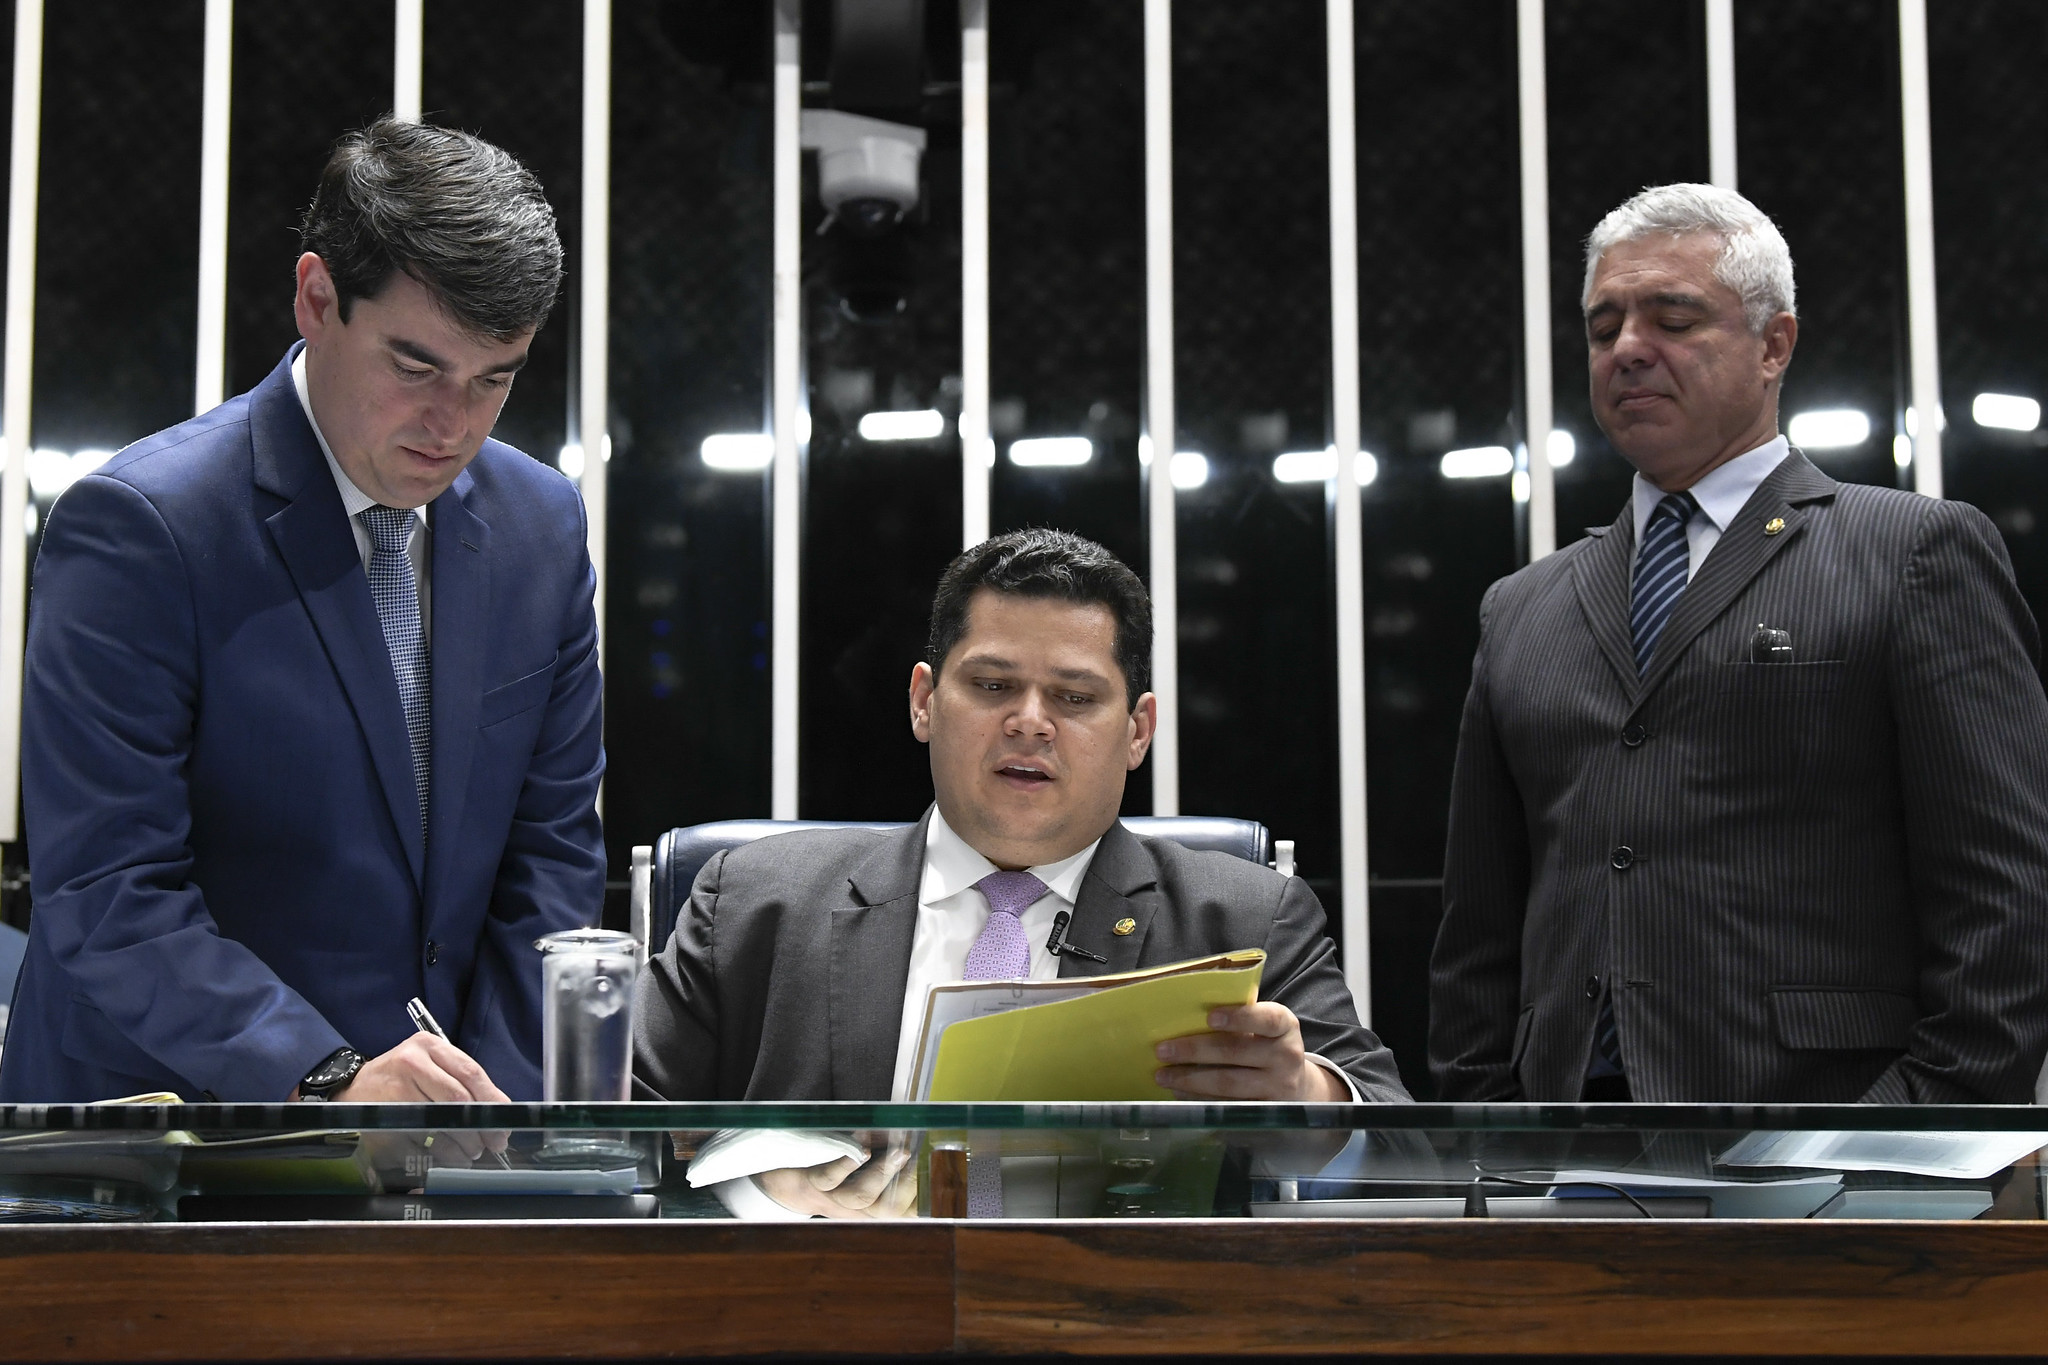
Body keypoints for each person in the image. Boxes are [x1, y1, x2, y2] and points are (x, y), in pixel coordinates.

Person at [0, 118, 604, 1108]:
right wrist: (326, 1081)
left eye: (494, 379)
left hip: (440, 1140)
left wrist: (495, 1107)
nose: (453, 424)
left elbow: (550, 857)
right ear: (318, 298)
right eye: (417, 366)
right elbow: (110, 894)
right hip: (173, 1141)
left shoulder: (540, 526)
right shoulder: (143, 527)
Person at [1429, 183, 2048, 1105]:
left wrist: (1907, 1140)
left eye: (1673, 318)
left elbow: (2007, 893)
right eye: (1605, 329)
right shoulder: (1524, 605)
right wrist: (1485, 1132)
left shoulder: (1912, 550)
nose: (1629, 349)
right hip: (1562, 1149)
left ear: (1774, 345)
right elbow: (1478, 926)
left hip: (1836, 1141)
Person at [636, 528, 1407, 1217]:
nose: (1030, 721)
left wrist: (1307, 1101)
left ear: (1137, 730)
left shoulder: (1244, 917)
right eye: (993, 685)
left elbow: (1415, 1162)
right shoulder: (755, 901)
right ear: (924, 701)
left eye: (1074, 697)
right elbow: (606, 1137)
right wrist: (755, 1181)